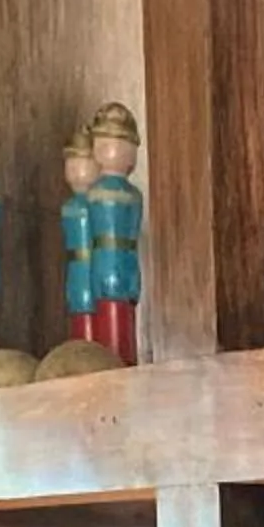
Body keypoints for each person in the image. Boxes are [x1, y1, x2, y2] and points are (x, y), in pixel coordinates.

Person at [86, 100, 143, 363]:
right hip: (105, 270)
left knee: (122, 341)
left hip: (123, 268)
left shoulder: (132, 195)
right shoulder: (96, 194)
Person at [60, 129, 97, 341]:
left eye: (80, 162)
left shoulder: (96, 204)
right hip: (76, 273)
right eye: (71, 164)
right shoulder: (69, 207)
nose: (75, 170)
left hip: (92, 274)